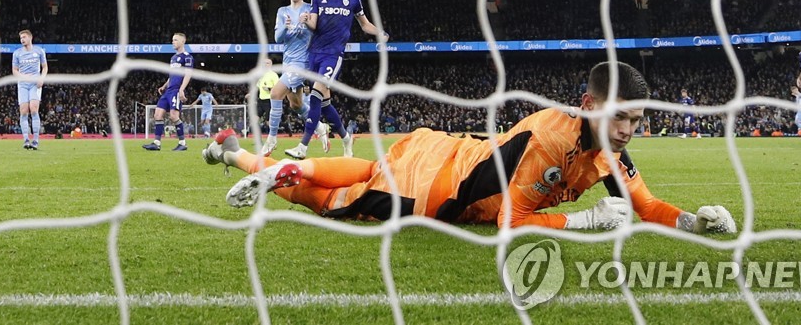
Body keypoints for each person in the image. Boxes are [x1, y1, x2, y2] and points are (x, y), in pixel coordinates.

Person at [203, 62, 737, 234]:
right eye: (620, 116)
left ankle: (232, 151)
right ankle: (262, 169)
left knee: (368, 167)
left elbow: (644, 207)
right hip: (438, 194)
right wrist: (585, 221)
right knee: (329, 200)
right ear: (589, 105)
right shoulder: (553, 140)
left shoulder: (607, 150)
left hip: (450, 152)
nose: (627, 129)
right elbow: (512, 220)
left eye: (636, 120)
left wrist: (693, 221)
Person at [284, 0, 388, 160]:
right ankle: (346, 138)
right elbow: (313, 25)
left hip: (333, 55)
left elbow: (364, 24)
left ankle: (303, 146)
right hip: (313, 54)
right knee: (324, 104)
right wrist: (306, 20)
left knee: (315, 96)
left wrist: (380, 32)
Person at [265, 0, 328, 155]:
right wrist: (285, 28)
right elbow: (278, 38)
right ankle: (319, 126)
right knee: (295, 104)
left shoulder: (310, 9)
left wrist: (307, 22)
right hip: (288, 62)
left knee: (275, 93)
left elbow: (318, 30)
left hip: (303, 62)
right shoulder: (282, 11)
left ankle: (271, 139)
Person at [142, 32, 193, 152]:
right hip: (168, 91)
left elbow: (188, 74)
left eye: (175, 40)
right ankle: (156, 143)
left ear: (182, 41)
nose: (173, 42)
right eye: (172, 40)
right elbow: (172, 75)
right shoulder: (173, 58)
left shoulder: (187, 57)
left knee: (174, 116)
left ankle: (182, 143)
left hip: (176, 90)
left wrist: (181, 89)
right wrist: (164, 86)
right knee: (157, 115)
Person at [12, 29, 48, 150]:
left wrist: (42, 79)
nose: (22, 39)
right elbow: (15, 70)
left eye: (24, 37)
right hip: (22, 84)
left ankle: (36, 140)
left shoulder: (39, 51)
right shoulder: (17, 53)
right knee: (23, 111)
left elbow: (45, 67)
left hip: (34, 84)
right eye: (21, 38)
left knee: (33, 109)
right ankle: (26, 140)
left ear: (30, 38)